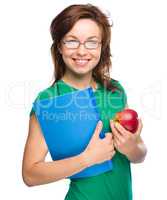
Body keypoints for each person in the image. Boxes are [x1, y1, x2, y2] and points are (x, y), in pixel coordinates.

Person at [22, 4, 147, 200]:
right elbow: (30, 174)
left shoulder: (115, 91)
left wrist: (134, 147)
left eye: (91, 42)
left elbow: (139, 155)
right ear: (59, 47)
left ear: (101, 47)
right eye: (71, 41)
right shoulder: (49, 100)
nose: (82, 51)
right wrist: (87, 159)